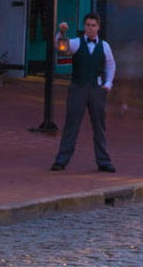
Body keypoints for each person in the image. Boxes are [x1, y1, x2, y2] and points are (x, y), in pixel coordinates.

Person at [51, 13, 116, 172]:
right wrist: (62, 33)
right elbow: (61, 46)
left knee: (99, 126)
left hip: (96, 89)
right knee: (71, 125)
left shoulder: (105, 46)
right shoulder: (77, 43)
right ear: (84, 27)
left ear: (98, 27)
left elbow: (111, 66)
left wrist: (108, 83)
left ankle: (103, 161)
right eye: (88, 25)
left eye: (93, 25)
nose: (91, 28)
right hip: (78, 88)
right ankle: (61, 160)